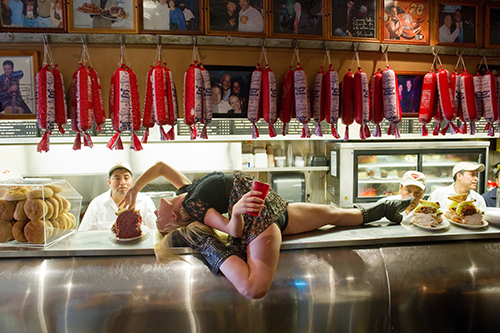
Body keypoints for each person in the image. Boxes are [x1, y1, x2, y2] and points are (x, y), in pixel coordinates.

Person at [118, 161, 413, 299]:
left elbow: (159, 167)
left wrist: (133, 189)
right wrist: (235, 211)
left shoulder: (187, 192)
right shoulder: (194, 209)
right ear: (173, 219)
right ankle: (214, 251)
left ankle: (386, 208)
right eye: (155, 217)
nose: (152, 211)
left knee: (335, 214)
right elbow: (233, 232)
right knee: (253, 287)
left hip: (275, 208)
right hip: (259, 224)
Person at [79, 162, 157, 231]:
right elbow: (84, 233)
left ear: (132, 180)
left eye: (126, 178)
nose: (122, 182)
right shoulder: (97, 203)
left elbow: (154, 231)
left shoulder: (145, 201)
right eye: (117, 178)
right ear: (109, 182)